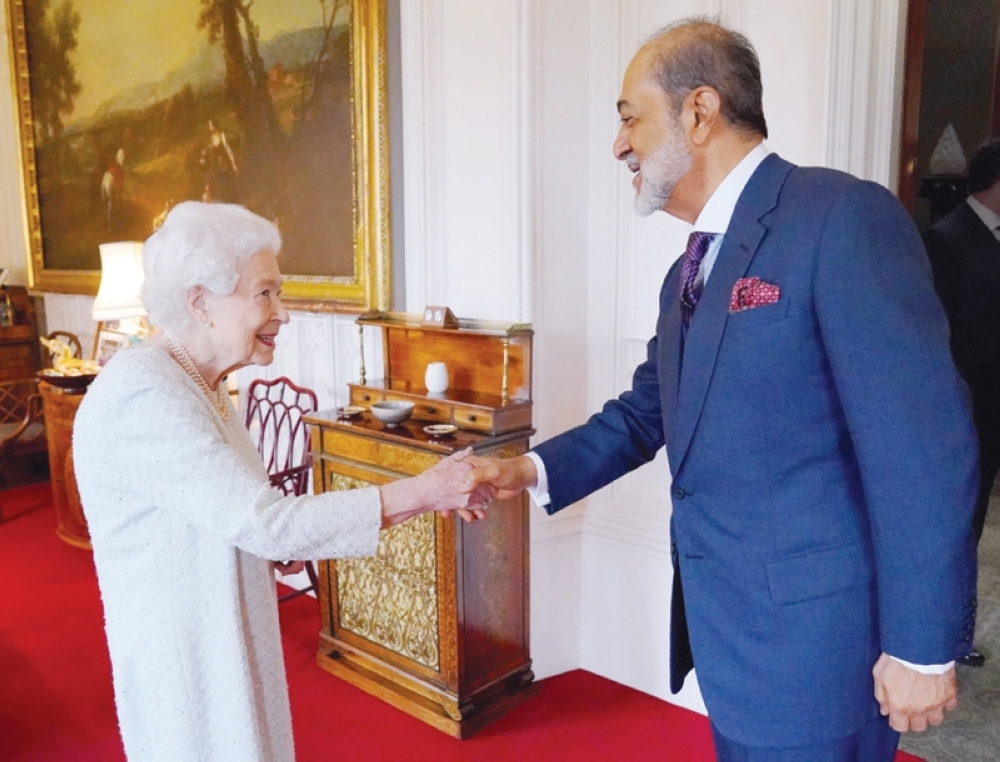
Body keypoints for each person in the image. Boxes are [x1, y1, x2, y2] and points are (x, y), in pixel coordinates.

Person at [463, 17, 978, 761]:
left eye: (629, 117)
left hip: (819, 655)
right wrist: (526, 470)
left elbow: (924, 445)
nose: (619, 145)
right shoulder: (688, 273)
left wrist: (922, 646)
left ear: (698, 112)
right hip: (729, 641)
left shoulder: (840, 218)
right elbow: (648, 411)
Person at [73, 201, 489, 761]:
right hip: (186, 659)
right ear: (200, 302)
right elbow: (268, 522)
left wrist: (260, 551)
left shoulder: (203, 384)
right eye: (264, 293)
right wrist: (426, 490)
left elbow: (224, 515)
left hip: (223, 634)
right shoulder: (146, 395)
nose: (283, 313)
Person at [922, 137, 1000, 668]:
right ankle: (941, 639)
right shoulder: (943, 241)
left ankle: (954, 636)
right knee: (954, 531)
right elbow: (938, 341)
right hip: (965, 416)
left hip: (992, 413)